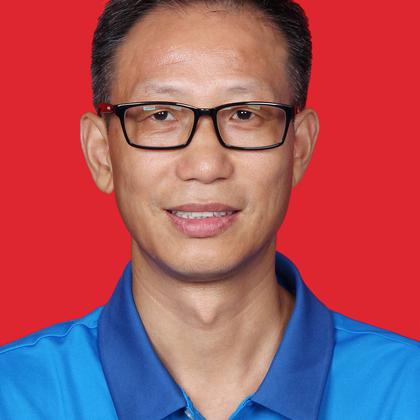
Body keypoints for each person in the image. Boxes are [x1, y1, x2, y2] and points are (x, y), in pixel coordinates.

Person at [0, 0, 419, 419]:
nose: (205, 166)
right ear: (101, 154)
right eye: (161, 115)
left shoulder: (406, 390)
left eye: (244, 114)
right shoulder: (14, 395)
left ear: (299, 149)